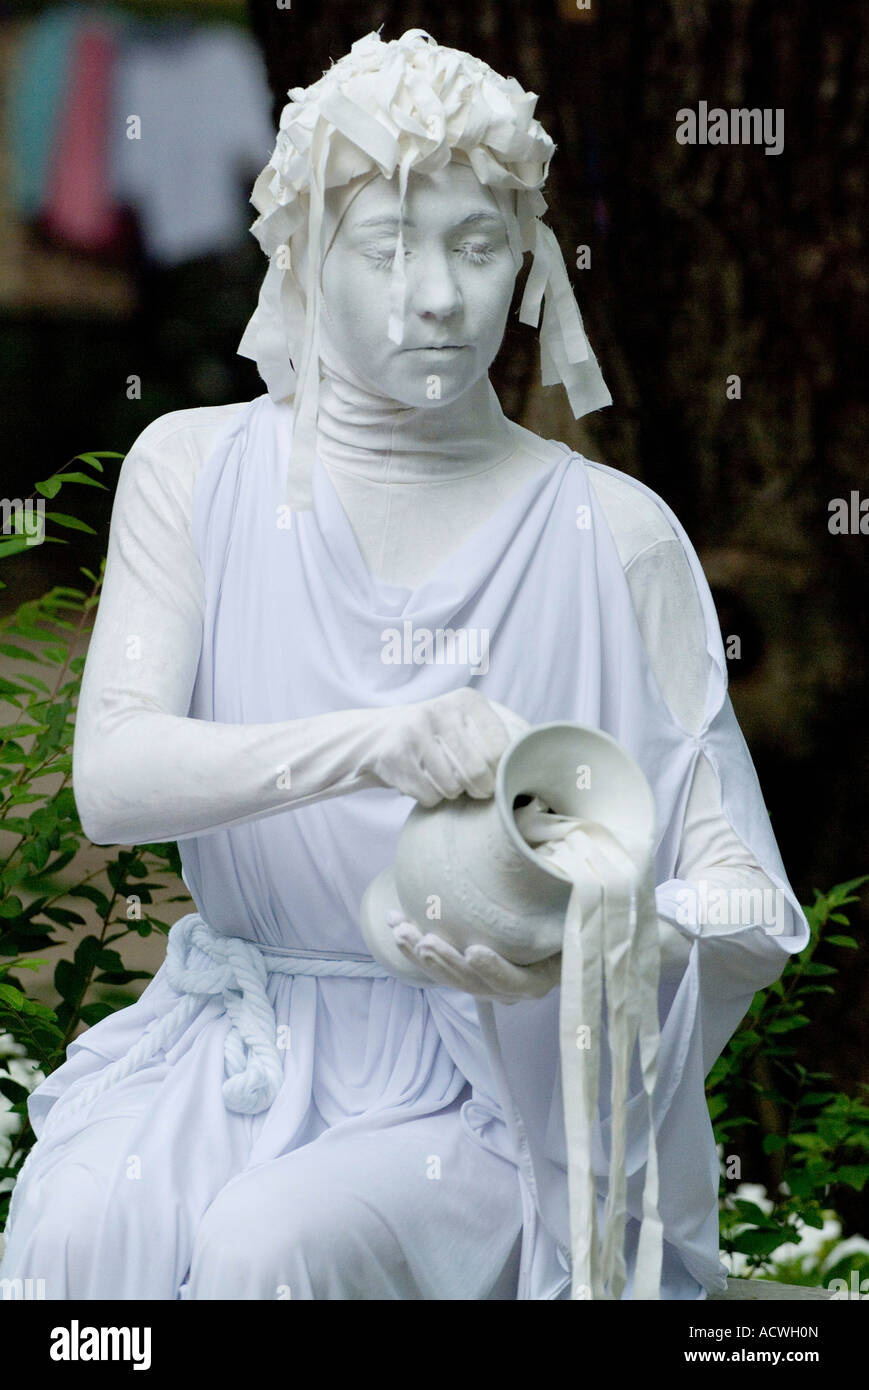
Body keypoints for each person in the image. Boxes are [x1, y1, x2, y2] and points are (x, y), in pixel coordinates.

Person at [0, 29, 808, 1301]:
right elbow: (114, 777)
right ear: (302, 255)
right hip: (242, 1041)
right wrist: (376, 741)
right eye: (384, 247)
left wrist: (588, 941)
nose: (436, 296)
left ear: (526, 254)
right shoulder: (197, 470)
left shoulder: (613, 534)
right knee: (78, 1225)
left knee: (277, 1244)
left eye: (476, 246)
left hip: (488, 1087)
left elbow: (745, 899)